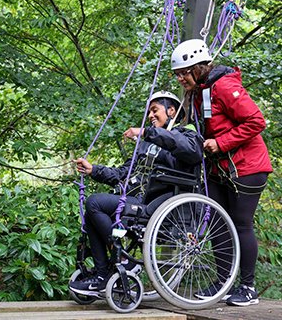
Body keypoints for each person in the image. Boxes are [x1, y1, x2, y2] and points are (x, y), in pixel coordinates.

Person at [68, 91, 204, 296]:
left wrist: (148, 133)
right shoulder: (145, 144)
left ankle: (122, 261)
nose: (150, 115)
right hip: (136, 200)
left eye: (154, 110)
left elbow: (191, 152)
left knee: (95, 203)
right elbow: (123, 173)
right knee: (92, 211)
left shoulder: (186, 135)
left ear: (172, 111)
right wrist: (93, 170)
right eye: (149, 111)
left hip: (159, 204)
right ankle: (103, 274)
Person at [170, 39, 272, 306]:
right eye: (177, 74)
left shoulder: (224, 86)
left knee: (240, 223)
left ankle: (247, 287)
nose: (181, 78)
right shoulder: (197, 93)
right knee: (217, 221)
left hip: (247, 167)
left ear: (200, 67)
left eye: (184, 72)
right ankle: (224, 280)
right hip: (220, 168)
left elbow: (256, 121)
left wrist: (221, 142)